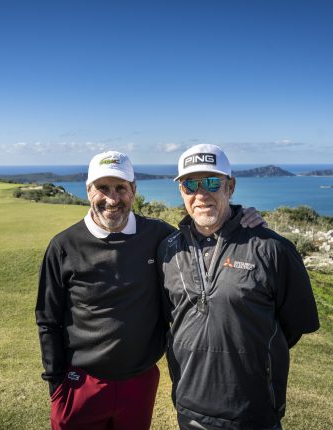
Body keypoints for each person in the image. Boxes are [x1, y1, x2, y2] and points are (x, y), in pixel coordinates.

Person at [35, 150, 264, 430]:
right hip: (82, 383)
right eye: (102, 188)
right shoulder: (63, 246)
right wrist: (57, 385)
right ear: (88, 191)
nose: (112, 198)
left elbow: (206, 231)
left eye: (121, 188)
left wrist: (241, 218)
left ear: (133, 190)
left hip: (140, 382)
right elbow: (48, 320)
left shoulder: (159, 236)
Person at [157, 144, 320, 430]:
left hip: (254, 412)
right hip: (189, 408)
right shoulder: (168, 250)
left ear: (230, 187)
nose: (201, 193)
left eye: (211, 182)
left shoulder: (273, 249)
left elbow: (292, 328)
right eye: (190, 184)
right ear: (181, 190)